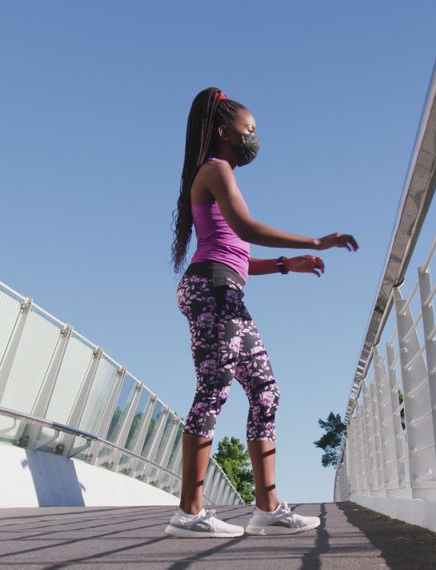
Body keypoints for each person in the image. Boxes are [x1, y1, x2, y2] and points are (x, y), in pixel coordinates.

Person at [164, 87, 358, 538]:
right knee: (213, 389)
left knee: (266, 393)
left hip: (225, 289)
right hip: (211, 290)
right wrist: (313, 241)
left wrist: (288, 266)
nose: (254, 137)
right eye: (248, 129)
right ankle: (189, 513)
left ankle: (267, 509)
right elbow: (246, 229)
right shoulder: (214, 169)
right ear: (222, 131)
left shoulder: (221, 174)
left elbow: (237, 256)